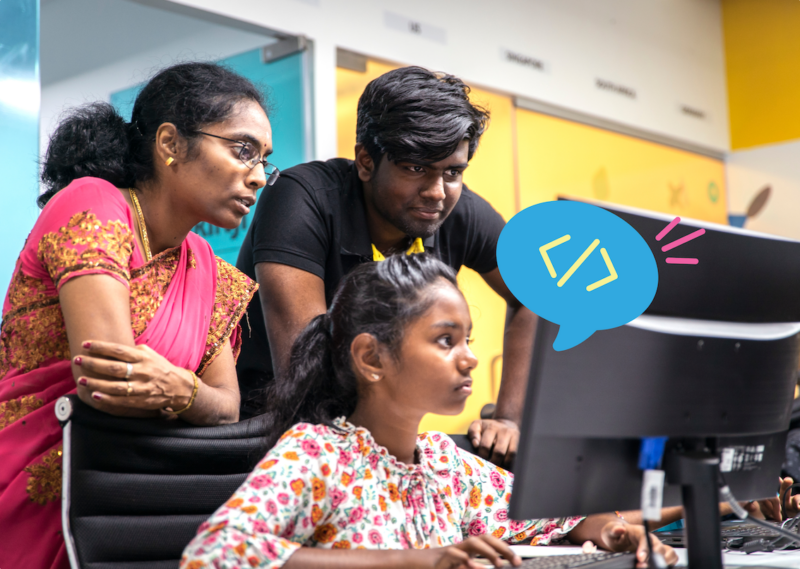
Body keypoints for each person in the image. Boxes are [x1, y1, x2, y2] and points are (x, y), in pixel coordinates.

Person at [181, 254, 677, 568]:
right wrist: (412, 561)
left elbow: (558, 518)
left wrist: (613, 530)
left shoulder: (446, 463)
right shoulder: (317, 455)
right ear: (372, 358)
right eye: (445, 340)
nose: (470, 357)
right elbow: (215, 552)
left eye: (468, 339)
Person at [0, 62, 274, 568]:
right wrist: (190, 395)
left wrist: (179, 389)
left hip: (133, 501)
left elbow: (227, 409)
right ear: (170, 144)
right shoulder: (93, 202)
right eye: (242, 151)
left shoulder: (209, 269)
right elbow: (107, 381)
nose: (258, 177)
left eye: (264, 160)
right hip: (32, 485)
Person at [236, 66, 532, 467]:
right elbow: (307, 381)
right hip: (273, 439)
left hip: (384, 440)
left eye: (453, 172)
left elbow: (534, 296)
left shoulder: (460, 212)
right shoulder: (300, 198)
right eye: (414, 168)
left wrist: (510, 419)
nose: (436, 192)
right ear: (365, 161)